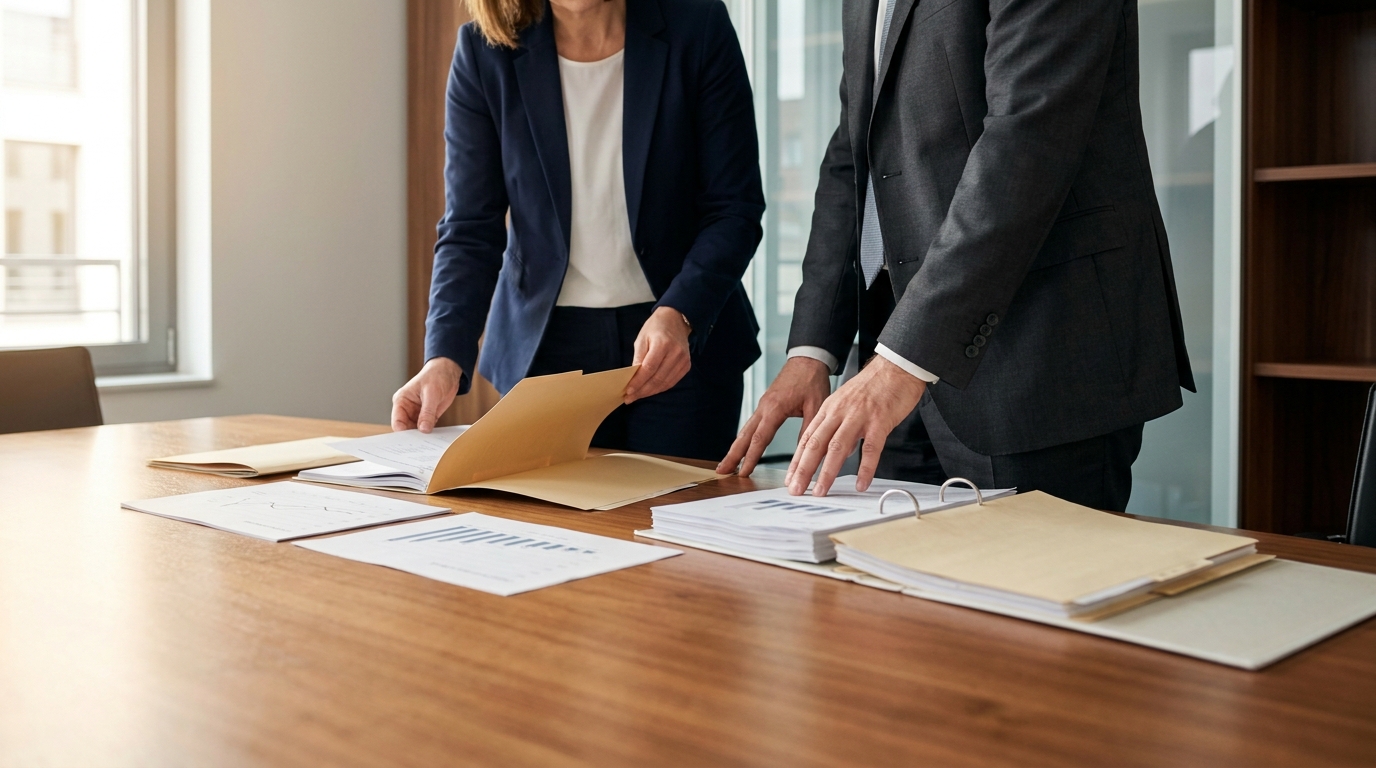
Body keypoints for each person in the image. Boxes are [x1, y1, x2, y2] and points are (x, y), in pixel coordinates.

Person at [719, 0, 1195, 511]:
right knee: (884, 561)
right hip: (893, 356)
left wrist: (904, 358)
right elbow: (854, 151)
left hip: (1039, 354)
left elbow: (1026, 142)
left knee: (1033, 563)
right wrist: (813, 352)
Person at [392, 0, 763, 461]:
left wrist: (680, 313)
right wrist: (444, 356)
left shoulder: (698, 27)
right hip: (546, 352)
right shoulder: (484, 50)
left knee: (674, 506)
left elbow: (734, 207)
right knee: (552, 508)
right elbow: (470, 227)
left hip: (679, 345)